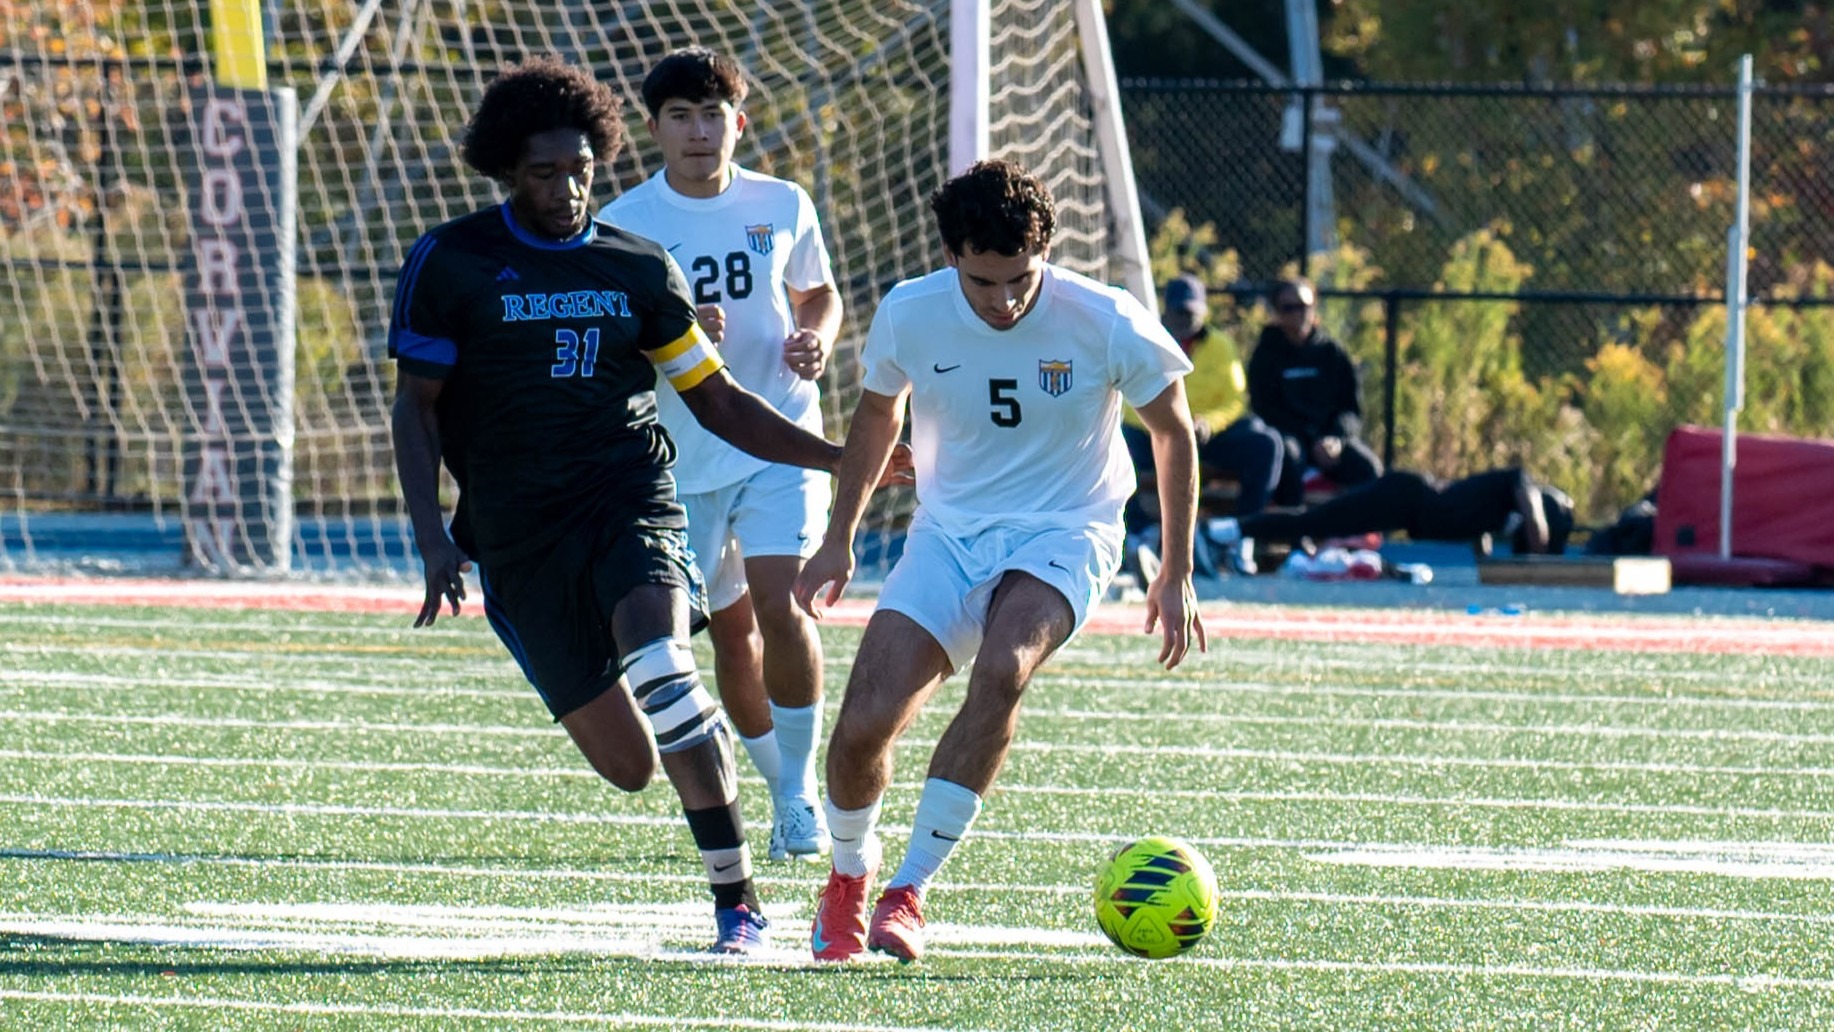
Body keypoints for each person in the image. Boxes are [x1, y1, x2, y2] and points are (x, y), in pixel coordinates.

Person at [387, 55, 877, 955]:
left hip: (630, 501)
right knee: (629, 766)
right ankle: (704, 746)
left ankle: (738, 905)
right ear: (507, 171)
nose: (567, 190)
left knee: (664, 667)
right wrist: (431, 536)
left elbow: (719, 401)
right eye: (544, 173)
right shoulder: (452, 262)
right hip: (517, 537)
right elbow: (415, 409)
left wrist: (844, 458)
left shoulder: (638, 265)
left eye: (580, 170)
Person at [792, 159, 1208, 963]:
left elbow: (1173, 431)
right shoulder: (910, 312)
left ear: (1044, 251)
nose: (1006, 299)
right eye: (984, 281)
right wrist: (840, 536)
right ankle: (848, 876)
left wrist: (1176, 569)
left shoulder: (1105, 318)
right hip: (948, 535)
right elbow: (877, 418)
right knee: (864, 724)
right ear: (952, 255)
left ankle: (909, 890)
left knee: (1004, 666)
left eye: (1021, 278)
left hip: (1068, 530)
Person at [599, 47, 840, 864]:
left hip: (779, 437)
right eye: (680, 117)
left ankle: (799, 795)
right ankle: (778, 787)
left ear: (738, 124)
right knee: (728, 638)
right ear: (654, 129)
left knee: (785, 604)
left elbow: (818, 292)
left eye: (712, 116)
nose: (698, 132)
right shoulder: (626, 223)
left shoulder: (783, 201)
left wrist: (817, 337)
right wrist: (673, 335)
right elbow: (612, 345)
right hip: (682, 461)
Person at [1207, 467, 1576, 558]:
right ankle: (1223, 530)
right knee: (1314, 522)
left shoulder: (1497, 510)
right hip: (1405, 497)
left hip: (1406, 510)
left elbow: (1472, 527)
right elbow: (1535, 522)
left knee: (1317, 522)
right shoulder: (1519, 484)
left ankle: (1229, 531)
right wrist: (1540, 554)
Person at [1247, 277, 1382, 506]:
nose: (1298, 314)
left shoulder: (1332, 352)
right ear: (1277, 312)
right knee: (1287, 457)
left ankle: (1359, 526)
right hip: (1292, 437)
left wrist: (1336, 438)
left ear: (1314, 307)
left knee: (1367, 467)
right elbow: (1265, 409)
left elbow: (1350, 408)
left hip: (1330, 439)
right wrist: (1311, 440)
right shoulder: (1266, 355)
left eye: (1304, 306)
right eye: (1288, 308)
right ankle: (1294, 526)